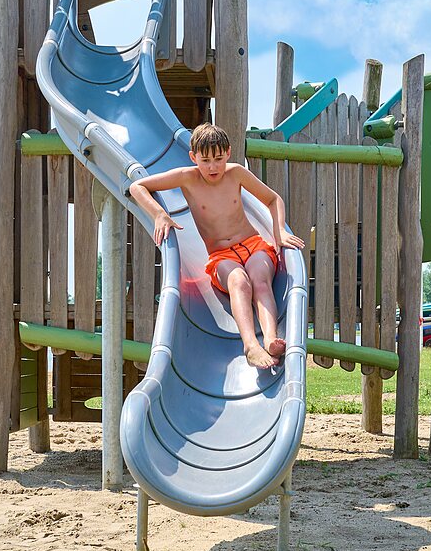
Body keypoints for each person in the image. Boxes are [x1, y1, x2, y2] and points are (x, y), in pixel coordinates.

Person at [128, 123, 305, 369]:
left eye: (219, 159)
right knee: (239, 282)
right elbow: (137, 187)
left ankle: (271, 338)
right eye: (206, 160)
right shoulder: (186, 177)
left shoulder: (236, 173)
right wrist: (159, 214)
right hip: (222, 256)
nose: (213, 167)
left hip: (253, 245)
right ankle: (251, 346)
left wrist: (280, 231)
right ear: (193, 158)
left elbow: (273, 199)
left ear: (228, 153)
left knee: (260, 279)